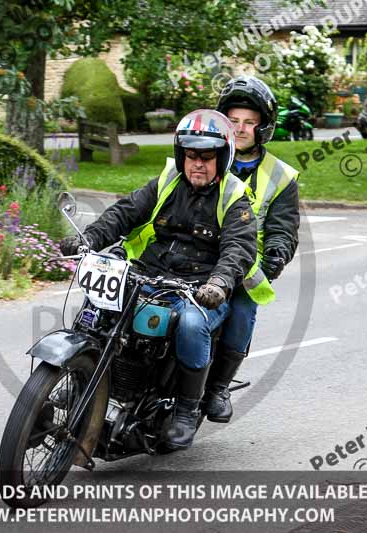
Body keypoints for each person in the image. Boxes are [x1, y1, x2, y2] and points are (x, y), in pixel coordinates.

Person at [60, 109, 257, 449]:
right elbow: (125, 212)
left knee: (191, 325)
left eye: (207, 157)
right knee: (99, 299)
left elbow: (238, 248)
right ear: (182, 155)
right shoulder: (167, 182)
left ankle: (185, 408)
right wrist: (89, 239)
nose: (198, 163)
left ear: (222, 158)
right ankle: (81, 374)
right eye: (191, 155)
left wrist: (219, 284)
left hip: (199, 287)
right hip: (150, 272)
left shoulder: (234, 198)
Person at [202, 76, 301, 423]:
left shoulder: (281, 176)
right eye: (233, 121)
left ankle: (217, 387)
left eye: (249, 122)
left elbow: (283, 230)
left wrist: (273, 258)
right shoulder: (202, 156)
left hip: (244, 268)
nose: (240, 129)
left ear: (263, 129)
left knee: (241, 313)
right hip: (192, 253)